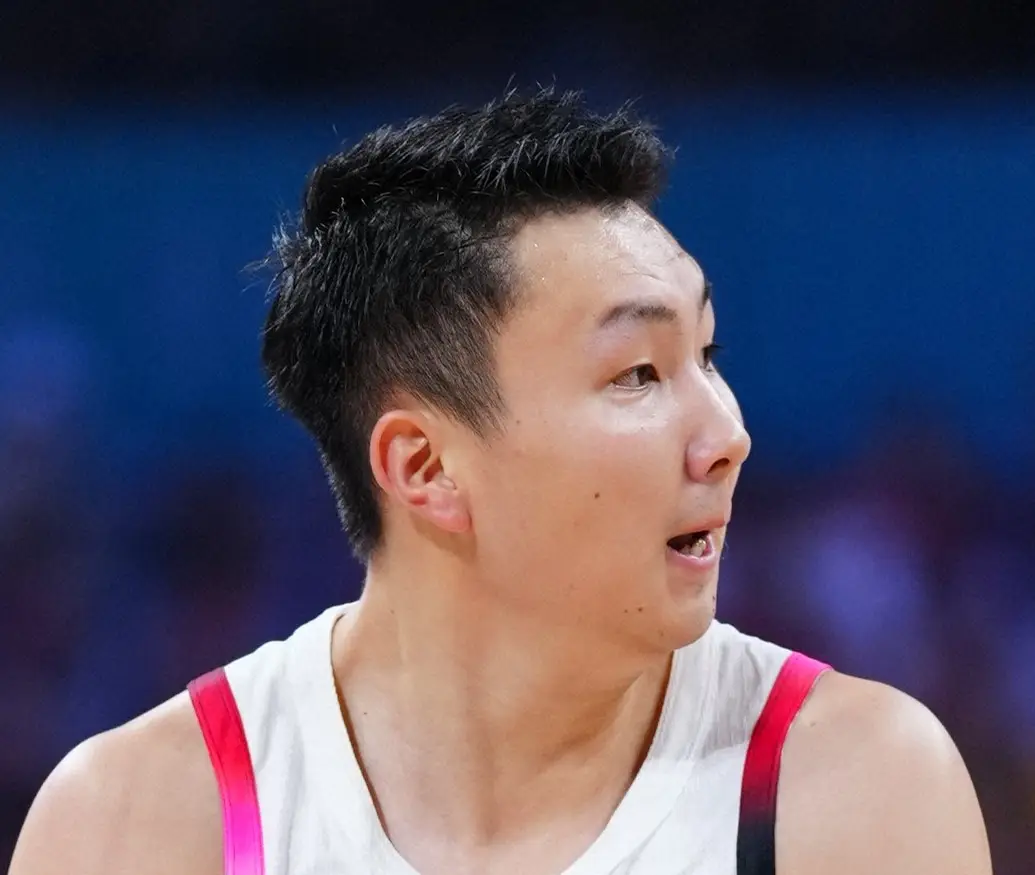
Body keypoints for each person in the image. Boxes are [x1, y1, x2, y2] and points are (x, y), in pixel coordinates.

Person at [9, 89, 992, 875]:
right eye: (638, 372)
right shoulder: (137, 824)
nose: (728, 434)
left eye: (707, 353)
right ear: (425, 467)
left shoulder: (857, 792)